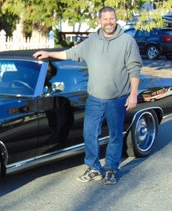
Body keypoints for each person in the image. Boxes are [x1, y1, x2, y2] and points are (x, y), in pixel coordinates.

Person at [33, 6, 142, 185]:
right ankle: (93, 168)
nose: (109, 22)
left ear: (116, 19)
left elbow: (134, 69)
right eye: (105, 19)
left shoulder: (127, 41)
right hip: (95, 99)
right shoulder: (92, 41)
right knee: (89, 133)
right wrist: (48, 53)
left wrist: (133, 94)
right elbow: (71, 53)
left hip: (117, 99)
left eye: (112, 18)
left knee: (115, 135)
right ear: (100, 21)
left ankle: (111, 169)